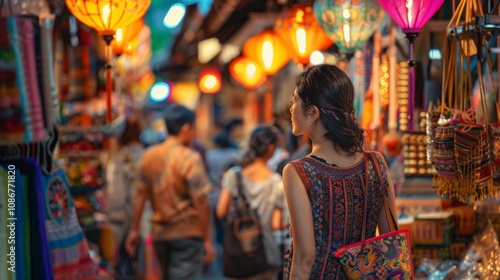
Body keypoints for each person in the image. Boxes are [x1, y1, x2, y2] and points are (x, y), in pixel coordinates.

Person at [282, 64, 397, 279]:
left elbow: (305, 258)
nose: (291, 109)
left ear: (313, 112)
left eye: (295, 101)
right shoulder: (376, 163)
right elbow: (389, 239)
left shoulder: (298, 172)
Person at [125, 103, 216, 280]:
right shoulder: (190, 158)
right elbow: (201, 201)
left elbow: (140, 196)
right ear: (186, 127)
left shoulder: (148, 156)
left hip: (159, 234)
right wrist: (207, 239)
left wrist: (134, 230)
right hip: (187, 233)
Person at [216, 125, 287, 280]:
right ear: (271, 148)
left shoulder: (233, 176)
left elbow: (221, 211)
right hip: (266, 254)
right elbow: (276, 224)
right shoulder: (276, 182)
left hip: (238, 252)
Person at [105, 116, 146, 278]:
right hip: (151, 227)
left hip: (129, 228)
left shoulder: (120, 159)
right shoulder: (149, 155)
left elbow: (117, 200)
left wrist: (116, 233)